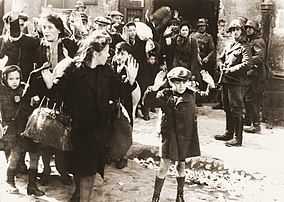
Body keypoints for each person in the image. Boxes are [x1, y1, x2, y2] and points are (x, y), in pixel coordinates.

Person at [44, 30, 138, 201]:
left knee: (88, 169)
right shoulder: (72, 68)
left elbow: (116, 93)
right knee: (77, 167)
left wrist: (130, 81)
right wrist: (50, 84)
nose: (109, 55)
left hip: (98, 130)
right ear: (95, 53)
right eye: (107, 51)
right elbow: (57, 94)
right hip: (74, 128)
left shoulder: (106, 71)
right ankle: (79, 193)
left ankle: (83, 198)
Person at [143, 66, 201, 202]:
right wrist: (154, 88)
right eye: (177, 82)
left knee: (181, 166)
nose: (181, 86)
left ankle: (180, 196)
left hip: (184, 137)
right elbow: (148, 103)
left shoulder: (191, 94)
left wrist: (211, 86)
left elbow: (208, 95)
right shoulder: (165, 95)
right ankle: (155, 197)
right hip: (169, 136)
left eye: (184, 82)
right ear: (171, 83)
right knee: (164, 166)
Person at [0, 65, 44, 196]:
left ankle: (32, 186)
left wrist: (33, 99)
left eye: (17, 78)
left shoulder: (25, 89)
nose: (14, 81)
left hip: (29, 129)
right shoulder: (2, 92)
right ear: (5, 79)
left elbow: (33, 103)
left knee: (35, 157)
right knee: (14, 158)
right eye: (11, 78)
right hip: (14, 131)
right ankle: (10, 182)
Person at [213, 19, 251, 147]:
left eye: (237, 30)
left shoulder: (245, 47)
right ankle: (228, 133)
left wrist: (231, 70)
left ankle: (237, 138)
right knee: (227, 107)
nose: (235, 33)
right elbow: (220, 58)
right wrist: (220, 66)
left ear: (242, 31)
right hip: (226, 80)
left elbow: (247, 64)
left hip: (237, 82)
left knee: (237, 110)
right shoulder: (229, 45)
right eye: (233, 30)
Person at [111, 41, 139, 168]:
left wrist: (130, 80)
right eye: (118, 53)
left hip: (125, 101)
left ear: (128, 55)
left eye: (123, 53)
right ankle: (112, 153)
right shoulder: (112, 65)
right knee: (112, 127)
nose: (119, 56)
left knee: (125, 127)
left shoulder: (131, 67)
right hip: (113, 102)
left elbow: (133, 89)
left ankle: (123, 156)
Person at [243, 20, 266, 134]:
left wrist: (247, 61)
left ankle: (256, 125)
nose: (247, 30)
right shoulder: (250, 40)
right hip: (251, 74)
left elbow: (260, 57)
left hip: (256, 75)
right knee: (247, 98)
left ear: (255, 30)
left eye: (250, 28)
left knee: (253, 100)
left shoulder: (258, 41)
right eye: (246, 28)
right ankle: (248, 120)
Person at [191, 18, 216, 104]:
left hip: (205, 62)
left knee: (205, 79)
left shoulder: (208, 37)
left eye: (203, 26)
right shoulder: (193, 36)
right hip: (195, 60)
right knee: (195, 80)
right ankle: (196, 99)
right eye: (200, 26)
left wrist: (207, 58)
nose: (202, 28)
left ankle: (204, 98)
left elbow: (212, 50)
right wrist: (197, 57)